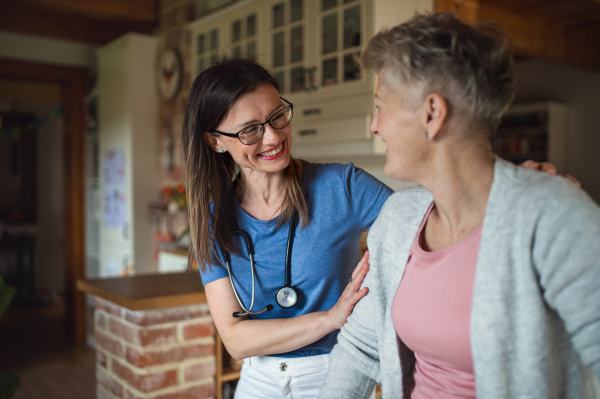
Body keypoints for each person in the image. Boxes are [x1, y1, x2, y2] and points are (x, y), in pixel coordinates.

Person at [317, 13, 600, 399]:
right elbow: (359, 349)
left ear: (432, 114)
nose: (375, 125)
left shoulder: (553, 215)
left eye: (381, 105)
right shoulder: (398, 218)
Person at [182, 57, 393, 398]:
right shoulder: (212, 220)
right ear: (215, 141)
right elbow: (235, 339)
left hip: (337, 374)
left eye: (277, 116)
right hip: (257, 382)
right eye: (251, 129)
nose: (273, 137)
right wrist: (330, 318)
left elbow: (422, 231)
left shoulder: (344, 186)